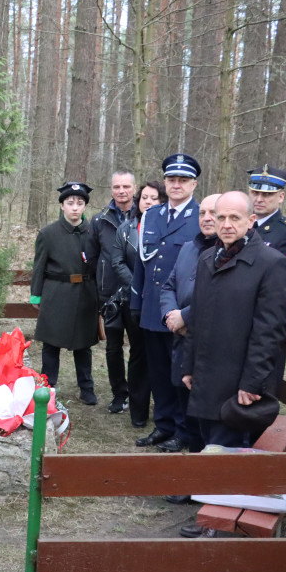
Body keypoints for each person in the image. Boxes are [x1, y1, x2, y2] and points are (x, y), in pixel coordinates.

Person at [182, 191, 286, 448]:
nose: (226, 224)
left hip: (238, 384)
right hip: (205, 379)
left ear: (251, 220)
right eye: (221, 217)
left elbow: (270, 332)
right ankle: (199, 489)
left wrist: (252, 383)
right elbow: (196, 318)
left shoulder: (272, 264)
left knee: (226, 454)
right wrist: (188, 365)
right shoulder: (208, 259)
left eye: (235, 217)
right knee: (205, 444)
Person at [131, 154, 202, 452]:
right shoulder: (153, 214)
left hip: (180, 312)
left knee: (179, 376)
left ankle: (182, 431)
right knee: (157, 374)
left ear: (193, 184)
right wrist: (136, 301)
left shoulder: (202, 216)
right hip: (151, 308)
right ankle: (163, 426)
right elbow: (142, 262)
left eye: (183, 180)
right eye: (171, 179)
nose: (176, 185)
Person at [153, 193, 220, 457]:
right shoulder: (191, 248)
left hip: (209, 345)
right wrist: (172, 315)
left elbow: (220, 294)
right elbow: (170, 284)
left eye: (214, 213)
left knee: (205, 417)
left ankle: (201, 478)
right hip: (182, 339)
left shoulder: (228, 252)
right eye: (202, 213)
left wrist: (186, 317)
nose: (207, 218)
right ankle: (191, 466)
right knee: (183, 401)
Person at [30, 181, 99, 404]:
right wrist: (36, 294)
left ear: (85, 206)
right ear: (62, 206)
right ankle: (47, 387)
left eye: (80, 203)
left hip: (86, 294)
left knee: (83, 345)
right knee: (51, 344)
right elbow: (39, 266)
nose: (75, 208)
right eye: (70, 203)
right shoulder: (48, 233)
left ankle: (86, 387)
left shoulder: (93, 232)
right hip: (56, 294)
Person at [111, 180, 165, 428]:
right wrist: (137, 286)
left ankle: (164, 407)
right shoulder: (125, 228)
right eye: (144, 197)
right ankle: (138, 410)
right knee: (138, 354)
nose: (148, 202)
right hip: (133, 301)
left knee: (161, 356)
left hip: (162, 301)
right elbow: (117, 262)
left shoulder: (168, 228)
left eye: (154, 198)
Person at [89, 171, 137, 414]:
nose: (121, 191)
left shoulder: (145, 218)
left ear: (134, 188)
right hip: (110, 295)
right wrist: (98, 290)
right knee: (113, 348)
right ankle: (120, 394)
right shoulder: (100, 221)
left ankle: (138, 394)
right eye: (117, 186)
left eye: (126, 186)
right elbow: (92, 258)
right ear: (111, 189)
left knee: (139, 349)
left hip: (138, 294)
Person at [247, 165, 286, 304]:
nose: (259, 199)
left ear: (281, 197)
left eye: (267, 194)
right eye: (255, 193)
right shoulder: (241, 225)